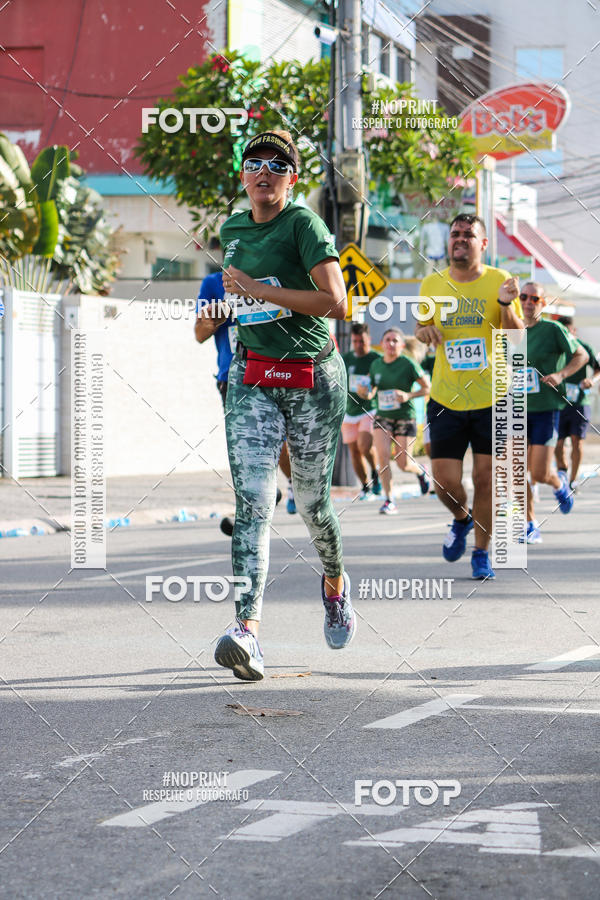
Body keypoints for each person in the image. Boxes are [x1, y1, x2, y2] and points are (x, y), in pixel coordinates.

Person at [210, 130, 353, 681]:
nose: (263, 171)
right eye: (254, 163)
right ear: (243, 175)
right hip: (254, 379)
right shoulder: (232, 228)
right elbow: (240, 303)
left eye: (277, 165)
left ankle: (335, 585)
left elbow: (335, 302)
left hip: (313, 377)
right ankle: (246, 631)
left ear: (292, 178)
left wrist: (259, 289)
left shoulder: (304, 225)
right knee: (252, 502)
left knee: (314, 504)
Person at [416, 213, 524, 580]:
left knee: (485, 478)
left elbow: (516, 336)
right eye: (455, 234)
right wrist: (425, 331)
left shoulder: (499, 282)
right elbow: (421, 327)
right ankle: (461, 519)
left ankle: (482, 552)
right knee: (444, 483)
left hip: (493, 396)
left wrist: (507, 305)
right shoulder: (432, 283)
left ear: (483, 244)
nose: (460, 239)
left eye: (468, 234)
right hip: (446, 396)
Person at [194, 240, 292, 518]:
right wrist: (212, 319)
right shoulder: (212, 284)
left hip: (272, 371)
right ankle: (255, 502)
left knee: (278, 440)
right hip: (232, 376)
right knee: (243, 446)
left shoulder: (270, 282)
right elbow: (199, 334)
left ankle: (289, 485)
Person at [521, 285, 588, 542]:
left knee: (538, 473)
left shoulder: (553, 329)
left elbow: (580, 354)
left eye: (534, 298)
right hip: (515, 409)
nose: (528, 302)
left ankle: (559, 485)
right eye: (523, 297)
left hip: (545, 409)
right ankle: (530, 524)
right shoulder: (509, 331)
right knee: (518, 470)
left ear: (543, 303)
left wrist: (561, 374)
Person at [358, 327, 430, 514]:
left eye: (395, 340)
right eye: (387, 340)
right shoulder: (376, 365)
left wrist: (408, 395)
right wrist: (363, 392)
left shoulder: (408, 363)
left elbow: (427, 388)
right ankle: (389, 500)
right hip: (383, 416)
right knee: (382, 457)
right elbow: (370, 391)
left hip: (405, 417)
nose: (390, 343)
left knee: (403, 463)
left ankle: (421, 471)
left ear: (402, 345)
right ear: (381, 344)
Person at [554, 316, 600, 491]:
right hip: (558, 403)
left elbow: (598, 369)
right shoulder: (555, 350)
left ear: (574, 331)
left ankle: (573, 480)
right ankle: (562, 471)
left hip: (580, 403)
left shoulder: (584, 348)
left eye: (568, 332)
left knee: (577, 441)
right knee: (557, 444)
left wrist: (592, 381)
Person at [341, 323, 382, 500]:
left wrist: (372, 391)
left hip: (369, 409)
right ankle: (365, 486)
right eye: (355, 341)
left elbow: (384, 381)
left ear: (369, 340)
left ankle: (375, 471)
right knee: (354, 451)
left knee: (364, 446)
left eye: (362, 341)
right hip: (348, 411)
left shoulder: (376, 359)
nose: (359, 344)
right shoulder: (346, 358)